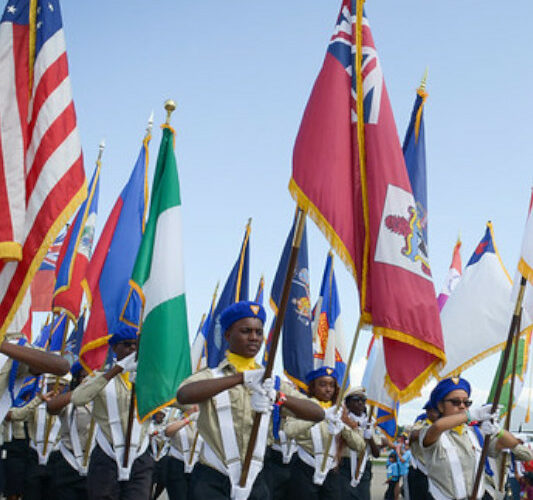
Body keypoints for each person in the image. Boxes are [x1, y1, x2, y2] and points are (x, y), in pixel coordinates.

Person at [177, 301, 325, 500]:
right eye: (246, 331)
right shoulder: (212, 376)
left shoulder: (272, 382)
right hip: (213, 477)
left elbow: (317, 413)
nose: (254, 337)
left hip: (256, 479)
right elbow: (184, 394)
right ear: (228, 335)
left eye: (258, 332)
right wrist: (241, 378)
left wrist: (278, 397)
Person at [71, 327, 153, 500]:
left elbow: (180, 400)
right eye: (127, 344)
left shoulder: (149, 379)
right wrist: (117, 369)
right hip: (107, 454)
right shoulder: (100, 376)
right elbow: (78, 398)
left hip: (139, 456)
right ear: (115, 348)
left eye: (136, 345)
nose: (132, 349)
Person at [414, 376, 526, 500]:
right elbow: (437, 427)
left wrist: (497, 431)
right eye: (455, 402)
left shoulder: (475, 434)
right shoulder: (433, 433)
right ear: (440, 406)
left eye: (467, 403)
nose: (462, 406)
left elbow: (512, 443)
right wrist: (471, 415)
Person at [284, 367, 366, 500]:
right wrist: (320, 415)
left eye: (332, 385)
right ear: (313, 387)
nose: (328, 389)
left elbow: (359, 446)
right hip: (305, 467)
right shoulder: (303, 406)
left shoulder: (340, 411)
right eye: (322, 385)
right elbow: (289, 431)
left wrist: (342, 426)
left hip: (331, 472)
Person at [8, 374, 70, 500]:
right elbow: (18, 415)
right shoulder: (37, 403)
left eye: (61, 385)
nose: (57, 388)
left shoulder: (68, 406)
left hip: (56, 457)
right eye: (53, 384)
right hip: (34, 456)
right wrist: (38, 400)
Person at [46, 362, 96, 500]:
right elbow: (52, 408)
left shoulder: (103, 402)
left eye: (92, 377)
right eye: (83, 377)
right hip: (68, 461)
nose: (87, 380)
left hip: (94, 464)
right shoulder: (68, 400)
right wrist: (79, 392)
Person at [338, 386, 381, 500]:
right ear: (347, 403)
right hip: (344, 467)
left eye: (363, 400)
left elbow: (377, 454)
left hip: (363, 467)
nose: (360, 403)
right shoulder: (341, 421)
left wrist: (370, 438)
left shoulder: (370, 423)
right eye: (356, 399)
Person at [164, 406, 199, 500]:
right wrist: (187, 419)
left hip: (197, 467)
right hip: (177, 463)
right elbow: (168, 432)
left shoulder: (204, 417)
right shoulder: (176, 413)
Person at [408, 401, 439, 500]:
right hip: (422, 471)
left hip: (438, 473)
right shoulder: (422, 424)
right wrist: (436, 430)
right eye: (432, 411)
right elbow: (414, 435)